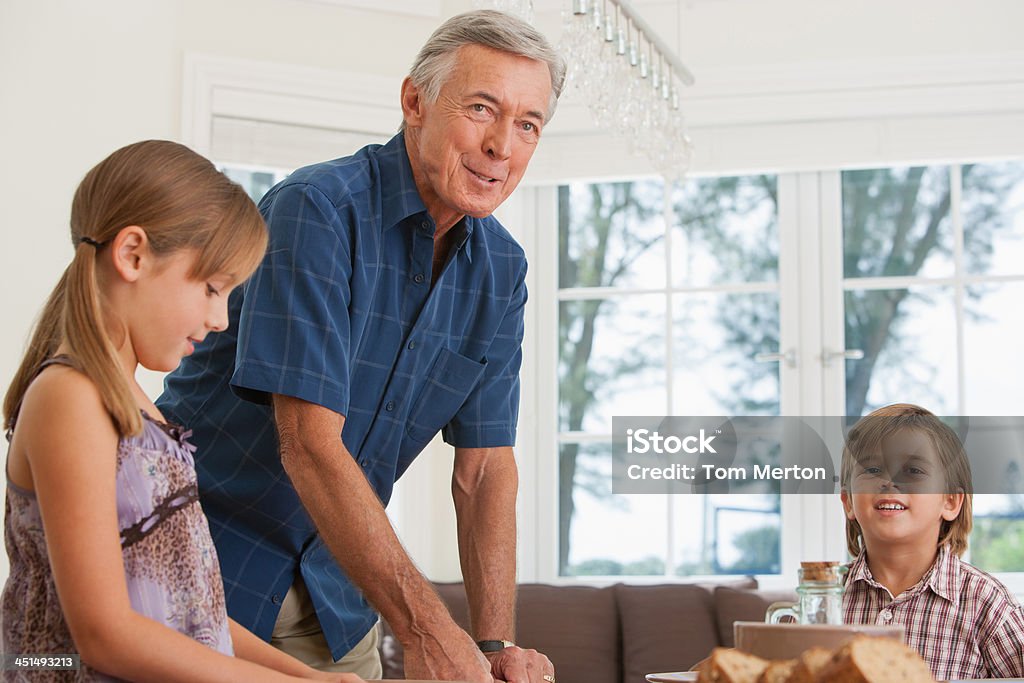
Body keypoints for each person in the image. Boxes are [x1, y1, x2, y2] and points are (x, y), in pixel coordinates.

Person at [157, 9, 564, 683]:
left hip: (340, 600)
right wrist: (430, 631)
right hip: (207, 575)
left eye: (528, 124)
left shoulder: (504, 271)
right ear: (414, 101)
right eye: (482, 108)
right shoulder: (315, 209)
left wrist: (491, 648)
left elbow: (485, 468)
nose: (502, 145)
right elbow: (311, 445)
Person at [0, 140, 363, 683]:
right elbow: (102, 637)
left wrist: (310, 678)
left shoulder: (135, 406)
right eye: (212, 288)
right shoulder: (71, 397)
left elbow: (196, 614)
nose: (220, 318)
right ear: (132, 255)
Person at [840, 403, 1024, 680]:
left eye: (913, 471)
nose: (889, 481)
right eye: (873, 469)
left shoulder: (987, 604)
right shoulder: (820, 600)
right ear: (848, 502)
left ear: (950, 502)